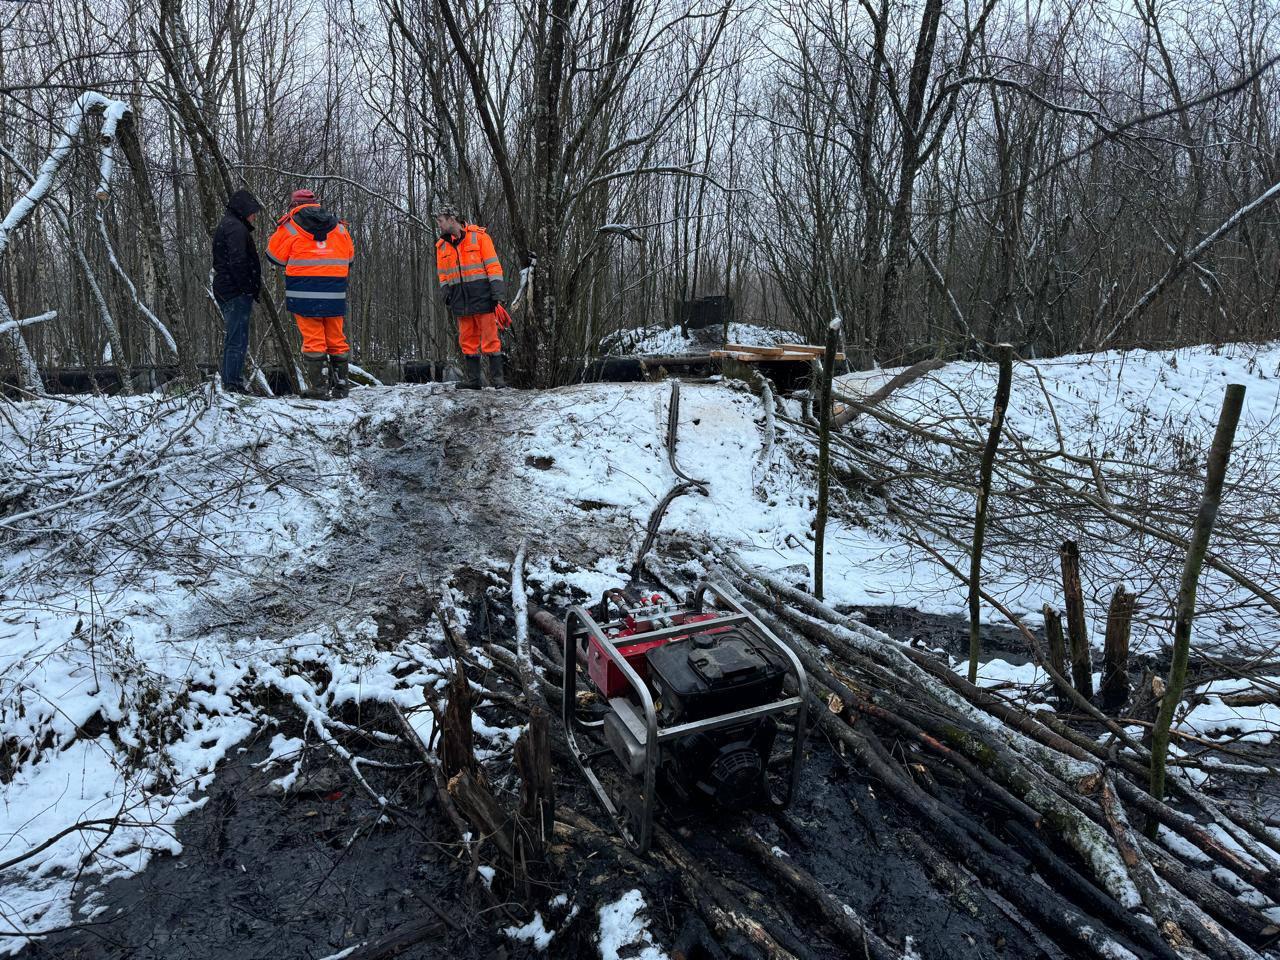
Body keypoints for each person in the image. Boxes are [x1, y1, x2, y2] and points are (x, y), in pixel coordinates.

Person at [266, 188, 356, 398]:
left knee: (314, 339)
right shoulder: (340, 229)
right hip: (334, 291)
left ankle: (319, 387)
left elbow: (274, 257)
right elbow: (350, 259)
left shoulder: (289, 227)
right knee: (336, 337)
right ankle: (341, 386)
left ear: (293, 205)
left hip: (304, 292)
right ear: (316, 203)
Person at [433, 200, 510, 389]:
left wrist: (497, 291)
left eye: (441, 221)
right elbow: (443, 275)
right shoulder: (441, 247)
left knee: (491, 339)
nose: (439, 225)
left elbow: (493, 265)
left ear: (452, 219)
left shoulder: (480, 238)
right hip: (460, 300)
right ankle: (474, 381)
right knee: (467, 340)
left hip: (483, 297)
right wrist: (446, 294)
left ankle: (498, 382)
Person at [211, 188, 262, 393]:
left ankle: (232, 382)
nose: (254, 216)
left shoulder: (230, 225)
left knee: (235, 336)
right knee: (237, 338)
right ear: (243, 210)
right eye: (252, 212)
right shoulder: (235, 228)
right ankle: (233, 384)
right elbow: (238, 261)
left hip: (229, 289)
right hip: (234, 292)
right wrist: (247, 288)